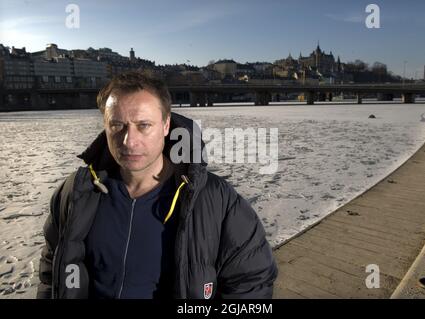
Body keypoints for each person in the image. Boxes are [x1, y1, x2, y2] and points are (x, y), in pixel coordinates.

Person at [37, 71, 278, 299]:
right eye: (117, 125)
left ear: (165, 125)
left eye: (143, 125)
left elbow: (251, 283)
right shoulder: (76, 192)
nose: (129, 141)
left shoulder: (217, 202)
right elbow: (51, 274)